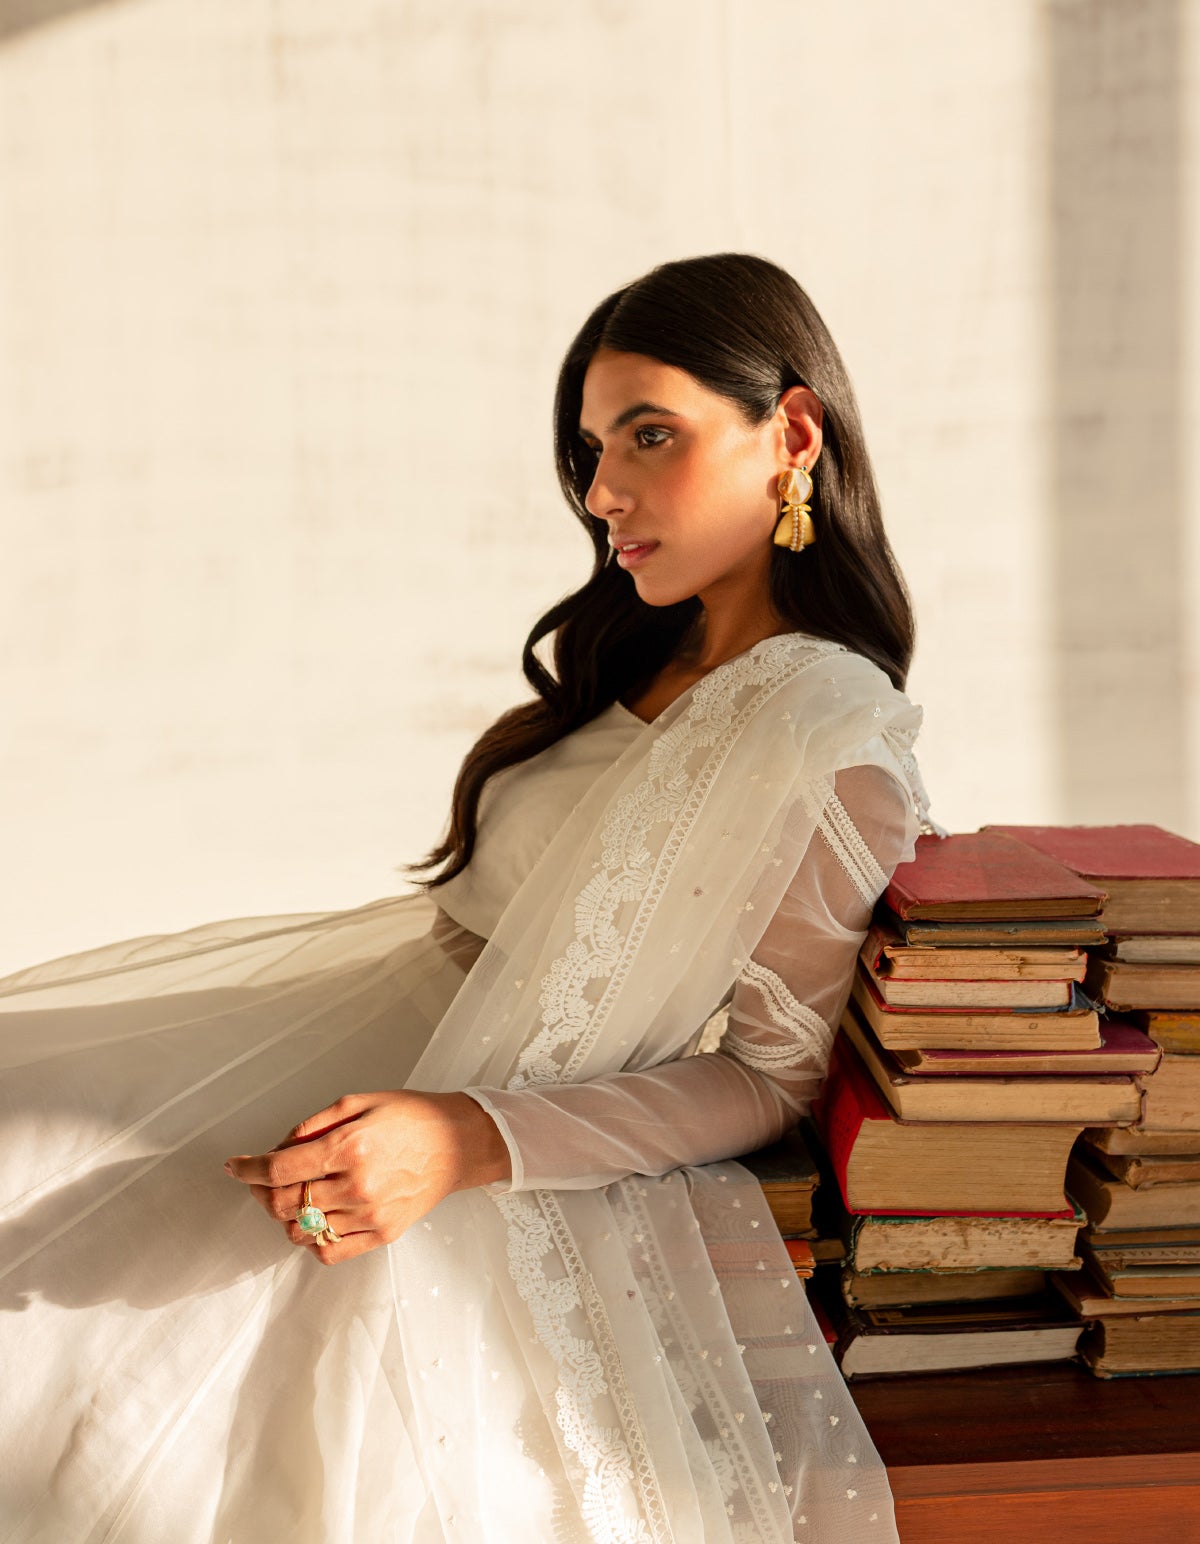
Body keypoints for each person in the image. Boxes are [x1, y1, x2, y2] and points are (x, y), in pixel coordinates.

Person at [0, 252, 940, 1542]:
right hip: (358, 1021)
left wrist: (459, 1142)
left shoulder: (833, 731)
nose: (605, 491)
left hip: (454, 1111)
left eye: (649, 435)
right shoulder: (647, 650)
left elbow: (770, 1078)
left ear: (789, 432)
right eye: (593, 448)